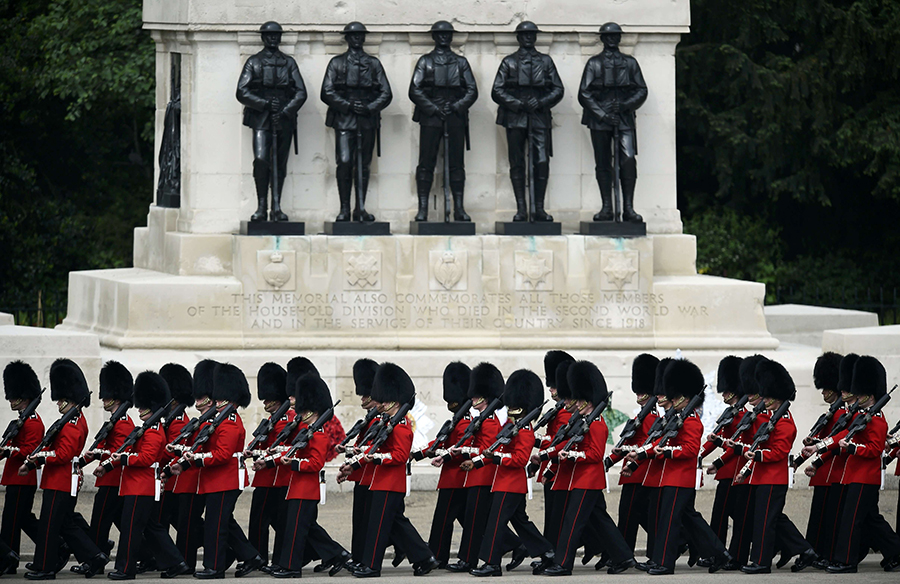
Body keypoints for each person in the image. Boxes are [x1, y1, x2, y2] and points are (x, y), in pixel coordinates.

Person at [631, 359, 730, 575]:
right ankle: (719, 553)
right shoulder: (676, 418)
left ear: (684, 397)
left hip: (680, 478)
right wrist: (641, 453)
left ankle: (665, 563)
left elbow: (690, 450)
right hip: (668, 477)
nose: (671, 399)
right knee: (683, 519)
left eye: (674, 396)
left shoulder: (692, 421)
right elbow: (660, 442)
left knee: (670, 521)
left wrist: (666, 452)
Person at [171, 363, 262, 578]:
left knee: (216, 526)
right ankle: (250, 556)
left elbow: (222, 454)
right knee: (223, 522)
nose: (217, 401)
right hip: (215, 480)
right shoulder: (219, 420)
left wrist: (197, 459)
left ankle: (215, 567)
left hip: (225, 480)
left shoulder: (230, 421)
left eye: (221, 399)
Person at [20, 359, 109, 580]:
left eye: (62, 399)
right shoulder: (70, 421)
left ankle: (46, 567)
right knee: (65, 524)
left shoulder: (73, 424)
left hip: (61, 480)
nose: (58, 403)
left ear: (71, 400)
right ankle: (94, 556)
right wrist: (36, 459)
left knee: (49, 526)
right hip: (60, 479)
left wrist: (40, 457)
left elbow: (63, 454)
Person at [544, 361, 635, 576]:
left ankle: (563, 564)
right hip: (580, 478)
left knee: (572, 521)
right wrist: (551, 453)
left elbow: (595, 454)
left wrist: (571, 456)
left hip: (588, 480)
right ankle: (624, 556)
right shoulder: (583, 421)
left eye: (581, 400)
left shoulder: (597, 424)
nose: (577, 403)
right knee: (600, 520)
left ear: (589, 400)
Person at [350, 362, 439, 577]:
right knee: (394, 523)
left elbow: (400, 456)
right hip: (381, 481)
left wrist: (377, 457)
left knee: (379, 525)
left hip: (390, 483)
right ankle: (424, 558)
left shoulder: (401, 426)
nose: (381, 404)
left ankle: (372, 566)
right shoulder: (388, 423)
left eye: (385, 401)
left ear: (394, 401)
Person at [99, 372, 189, 580]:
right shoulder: (147, 429)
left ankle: (126, 569)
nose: (139, 409)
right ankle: (176, 562)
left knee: (130, 529)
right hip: (138, 486)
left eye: (142, 406)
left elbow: (146, 458)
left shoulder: (154, 431)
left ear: (151, 406)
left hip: (141, 487)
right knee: (151, 527)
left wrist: (124, 458)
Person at [815, 356, 900, 573]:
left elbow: (875, 449)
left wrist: (852, 448)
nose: (856, 396)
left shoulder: (877, 419)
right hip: (854, 476)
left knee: (851, 520)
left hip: (865, 477)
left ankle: (847, 561)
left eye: (860, 393)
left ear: (870, 395)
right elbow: (842, 433)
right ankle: (895, 551)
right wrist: (819, 446)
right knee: (871, 520)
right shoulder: (859, 416)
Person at [731, 360, 817, 574]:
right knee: (772, 519)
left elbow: (779, 452)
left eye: (768, 397)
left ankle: (761, 562)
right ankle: (804, 550)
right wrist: (747, 469)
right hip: (762, 476)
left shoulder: (785, 422)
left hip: (774, 478)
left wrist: (758, 455)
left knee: (765, 522)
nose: (764, 400)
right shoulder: (770, 419)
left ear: (778, 397)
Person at [470, 369, 553, 576]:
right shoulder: (510, 426)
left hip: (511, 485)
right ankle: (548, 552)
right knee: (521, 522)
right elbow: (496, 449)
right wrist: (477, 462)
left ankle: (492, 564)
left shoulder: (525, 430)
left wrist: (495, 458)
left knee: (495, 523)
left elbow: (520, 459)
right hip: (505, 483)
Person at [272, 372, 344, 578]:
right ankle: (337, 554)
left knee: (297, 529)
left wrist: (294, 463)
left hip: (306, 489)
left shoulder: (319, 435)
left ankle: (292, 568)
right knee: (302, 528)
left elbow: (315, 463)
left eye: (304, 411)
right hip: (297, 487)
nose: (300, 414)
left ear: (312, 411)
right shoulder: (306, 432)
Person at [491, 21, 564, 222]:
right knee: (517, 163)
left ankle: (538, 208)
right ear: (518, 38)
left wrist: (541, 102)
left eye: (532, 34)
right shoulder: (509, 62)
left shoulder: (545, 61)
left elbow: (558, 89)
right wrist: (517, 103)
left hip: (539, 116)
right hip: (515, 118)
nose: (528, 38)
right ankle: (521, 209)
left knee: (541, 161)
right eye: (524, 35)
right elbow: (497, 90)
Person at [236, 21, 308, 222]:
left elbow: (301, 92)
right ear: (263, 38)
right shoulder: (254, 62)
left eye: (276, 35)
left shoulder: (289, 63)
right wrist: (265, 104)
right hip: (261, 117)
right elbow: (242, 91)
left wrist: (285, 111)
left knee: (279, 162)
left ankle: (276, 205)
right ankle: (261, 206)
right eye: (269, 35)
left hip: (283, 118)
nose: (273, 38)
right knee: (261, 159)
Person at [321, 22, 392, 222]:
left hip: (367, 119)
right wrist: (348, 105)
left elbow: (386, 93)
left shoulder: (374, 64)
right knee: (344, 162)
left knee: (363, 164)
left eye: (360, 35)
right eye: (353, 36)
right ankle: (344, 208)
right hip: (344, 119)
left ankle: (360, 208)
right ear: (347, 38)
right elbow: (326, 91)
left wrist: (370, 107)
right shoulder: (337, 63)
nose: (357, 39)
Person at [408, 21, 477, 222]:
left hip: (455, 116)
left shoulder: (461, 63)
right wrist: (433, 108)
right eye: (440, 34)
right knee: (426, 162)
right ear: (434, 37)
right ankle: (423, 209)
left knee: (457, 163)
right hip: (431, 117)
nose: (444, 37)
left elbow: (472, 90)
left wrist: (456, 106)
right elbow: (415, 90)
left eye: (447, 33)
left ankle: (459, 208)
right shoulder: (425, 61)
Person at [578, 22, 647, 223]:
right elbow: (584, 93)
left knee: (628, 160)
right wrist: (602, 114)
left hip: (624, 118)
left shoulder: (630, 63)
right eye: (608, 36)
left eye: (615, 36)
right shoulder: (594, 63)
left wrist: (625, 105)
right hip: (600, 119)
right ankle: (607, 207)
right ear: (602, 39)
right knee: (603, 162)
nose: (612, 39)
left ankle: (628, 208)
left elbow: (641, 90)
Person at [72, 361, 134, 575]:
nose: (103, 399)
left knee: (99, 522)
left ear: (116, 397)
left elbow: (117, 453)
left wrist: (102, 462)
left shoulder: (123, 423)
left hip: (112, 480)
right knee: (113, 521)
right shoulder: (115, 421)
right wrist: (82, 462)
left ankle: (94, 560)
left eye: (107, 396)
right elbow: (103, 448)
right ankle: (143, 554)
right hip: (109, 479)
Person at [444, 363, 503, 573]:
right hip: (474, 475)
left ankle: (469, 560)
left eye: (476, 396)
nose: (472, 399)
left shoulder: (490, 421)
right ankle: (468, 558)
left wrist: (469, 454)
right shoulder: (481, 419)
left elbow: (487, 450)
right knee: (473, 520)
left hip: (482, 475)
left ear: (484, 398)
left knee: (475, 522)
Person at [605, 354, 659, 558]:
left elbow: (645, 447)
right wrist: (609, 461)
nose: (639, 394)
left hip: (639, 473)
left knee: (629, 516)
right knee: (635, 515)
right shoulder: (640, 416)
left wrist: (630, 461)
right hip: (633, 473)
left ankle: (623, 555)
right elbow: (627, 444)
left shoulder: (651, 418)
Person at [420, 362, 471, 568]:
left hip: (456, 477)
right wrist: (420, 452)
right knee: (467, 519)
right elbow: (441, 441)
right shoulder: (457, 420)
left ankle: (438, 555)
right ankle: (511, 543)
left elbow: (461, 449)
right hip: (453, 476)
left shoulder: (465, 421)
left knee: (443, 518)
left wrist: (442, 454)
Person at [0, 362, 45, 574]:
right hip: (15, 477)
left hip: (22, 478)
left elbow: (30, 450)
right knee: (21, 519)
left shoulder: (33, 422)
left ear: (24, 397)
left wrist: (8, 451)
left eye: (14, 396)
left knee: (11, 521)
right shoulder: (22, 420)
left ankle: (7, 559)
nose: (10, 400)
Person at [244, 363, 289, 569]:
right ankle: (259, 556)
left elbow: (278, 449)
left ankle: (260, 557)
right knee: (262, 521)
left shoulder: (284, 420)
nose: (265, 402)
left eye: (268, 399)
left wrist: (259, 454)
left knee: (263, 520)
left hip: (273, 477)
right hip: (265, 477)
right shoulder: (273, 419)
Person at [698, 356, 744, 554]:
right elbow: (717, 438)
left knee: (726, 514)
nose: (723, 393)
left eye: (726, 390)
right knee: (724, 513)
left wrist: (717, 462)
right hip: (727, 471)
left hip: (736, 470)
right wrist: (700, 454)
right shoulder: (730, 413)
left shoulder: (743, 415)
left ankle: (720, 553)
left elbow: (734, 446)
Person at [800, 352, 843, 561]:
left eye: (826, 388)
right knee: (819, 516)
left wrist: (817, 457)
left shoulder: (842, 414)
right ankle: (816, 551)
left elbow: (833, 443)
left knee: (829, 517)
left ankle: (826, 553)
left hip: (832, 469)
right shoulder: (831, 413)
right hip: (823, 470)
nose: (823, 392)